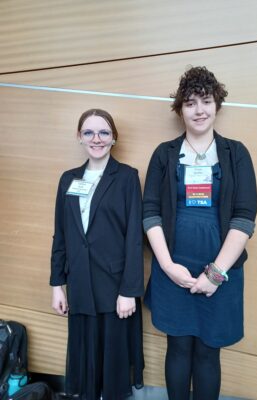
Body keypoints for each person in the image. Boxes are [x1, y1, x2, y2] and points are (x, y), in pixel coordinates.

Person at [143, 66, 257, 400]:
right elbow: (150, 212)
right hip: (173, 267)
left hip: (221, 272)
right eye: (190, 103)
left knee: (209, 351)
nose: (199, 110)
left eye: (205, 101)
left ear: (216, 105)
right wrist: (167, 267)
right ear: (180, 109)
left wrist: (215, 273)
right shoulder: (164, 154)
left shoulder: (237, 154)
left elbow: (244, 217)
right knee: (177, 348)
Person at [50, 109, 144, 400]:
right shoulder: (68, 180)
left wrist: (129, 290)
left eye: (104, 132)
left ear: (114, 138)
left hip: (114, 289)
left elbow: (134, 239)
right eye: (88, 132)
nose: (97, 139)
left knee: (113, 371)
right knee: (85, 368)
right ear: (79, 137)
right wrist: (57, 285)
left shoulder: (127, 177)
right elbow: (61, 234)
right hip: (80, 286)